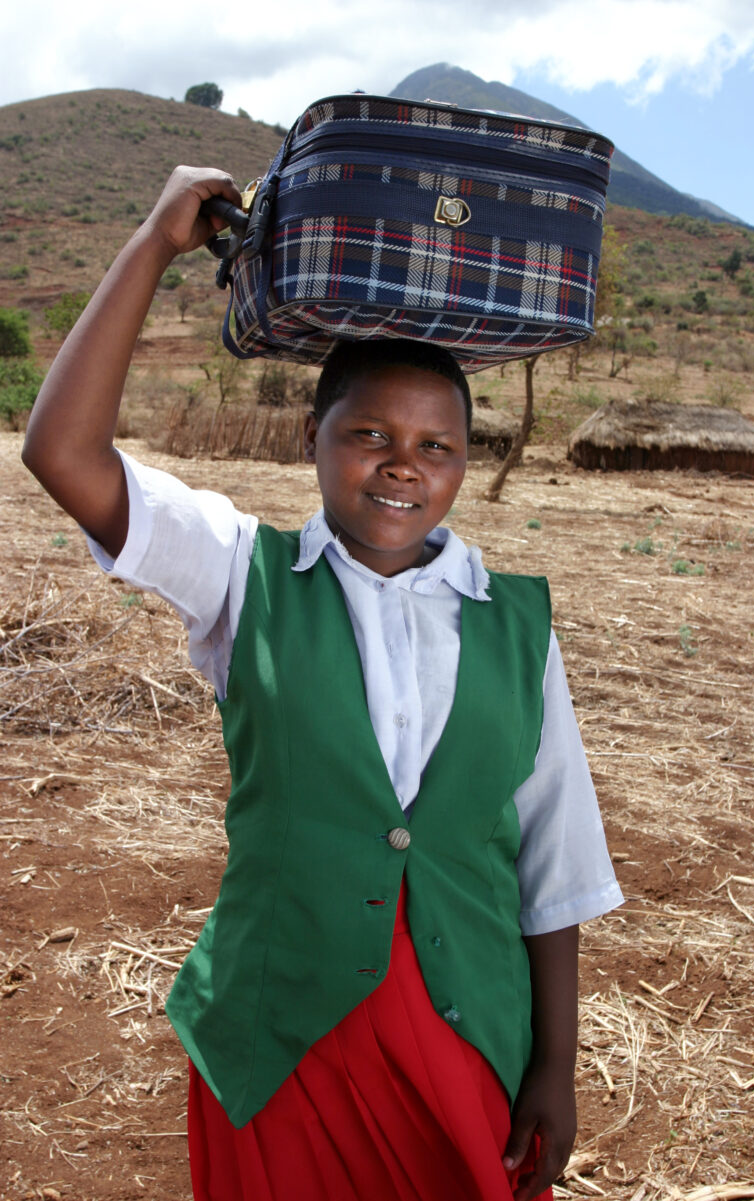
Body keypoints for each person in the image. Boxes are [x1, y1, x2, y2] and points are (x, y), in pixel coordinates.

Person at [22, 166, 624, 1201]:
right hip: (280, 1039)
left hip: (461, 1037)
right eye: (368, 435)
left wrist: (554, 1066)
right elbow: (63, 453)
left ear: (464, 464)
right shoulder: (239, 573)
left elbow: (552, 857)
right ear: (312, 439)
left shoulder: (516, 623)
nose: (402, 465)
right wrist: (155, 241)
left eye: (435, 445)